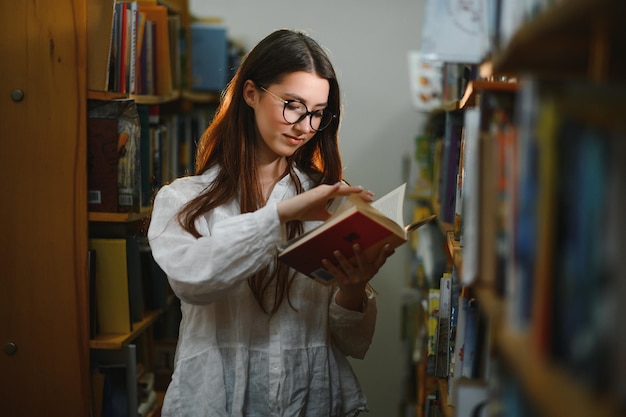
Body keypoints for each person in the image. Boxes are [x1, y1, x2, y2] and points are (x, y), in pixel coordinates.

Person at [148, 28, 395, 417]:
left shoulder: (327, 197)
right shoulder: (183, 199)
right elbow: (192, 280)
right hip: (217, 400)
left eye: (317, 113)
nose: (305, 126)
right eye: (293, 105)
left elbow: (350, 343)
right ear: (251, 93)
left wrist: (353, 288)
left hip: (313, 397)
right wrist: (281, 215)